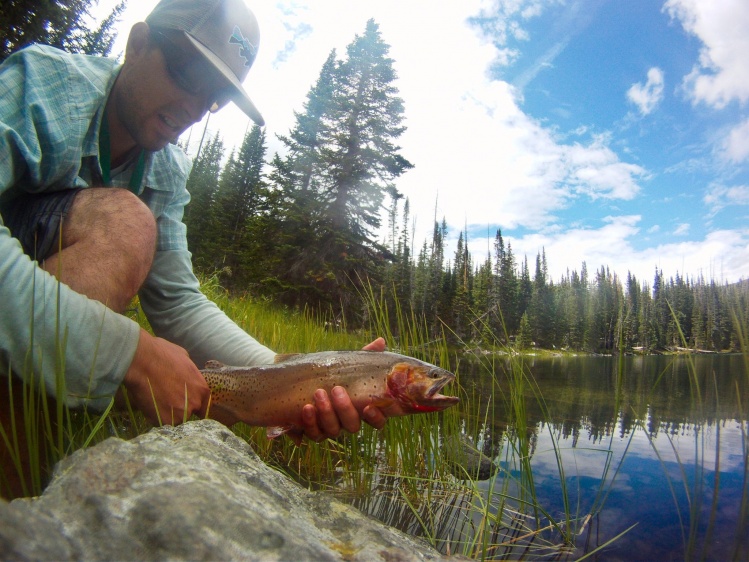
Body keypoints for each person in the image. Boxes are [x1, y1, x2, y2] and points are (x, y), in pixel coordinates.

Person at [0, 0, 389, 445]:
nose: (196, 107)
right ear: (137, 45)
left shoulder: (164, 170)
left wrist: (292, 375)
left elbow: (177, 304)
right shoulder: (45, 85)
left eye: (215, 98)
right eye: (189, 76)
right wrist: (129, 354)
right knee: (127, 222)